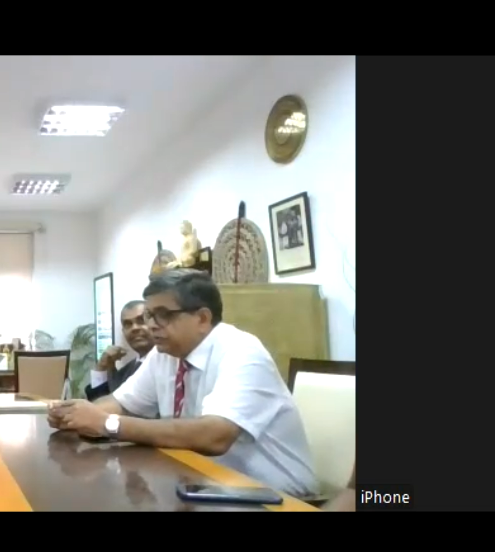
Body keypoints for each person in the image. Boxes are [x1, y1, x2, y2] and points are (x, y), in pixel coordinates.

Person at [48, 269, 319, 497]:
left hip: (274, 496)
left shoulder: (242, 351)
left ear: (202, 318)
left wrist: (107, 424)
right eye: (149, 315)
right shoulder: (163, 354)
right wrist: (74, 415)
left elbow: (215, 436)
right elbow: (121, 403)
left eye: (163, 314)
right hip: (202, 485)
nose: (151, 325)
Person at [85, 300, 154, 401]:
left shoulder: (168, 364)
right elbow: (98, 401)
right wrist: (101, 367)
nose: (134, 328)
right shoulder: (127, 370)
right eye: (128, 324)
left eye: (141, 320)